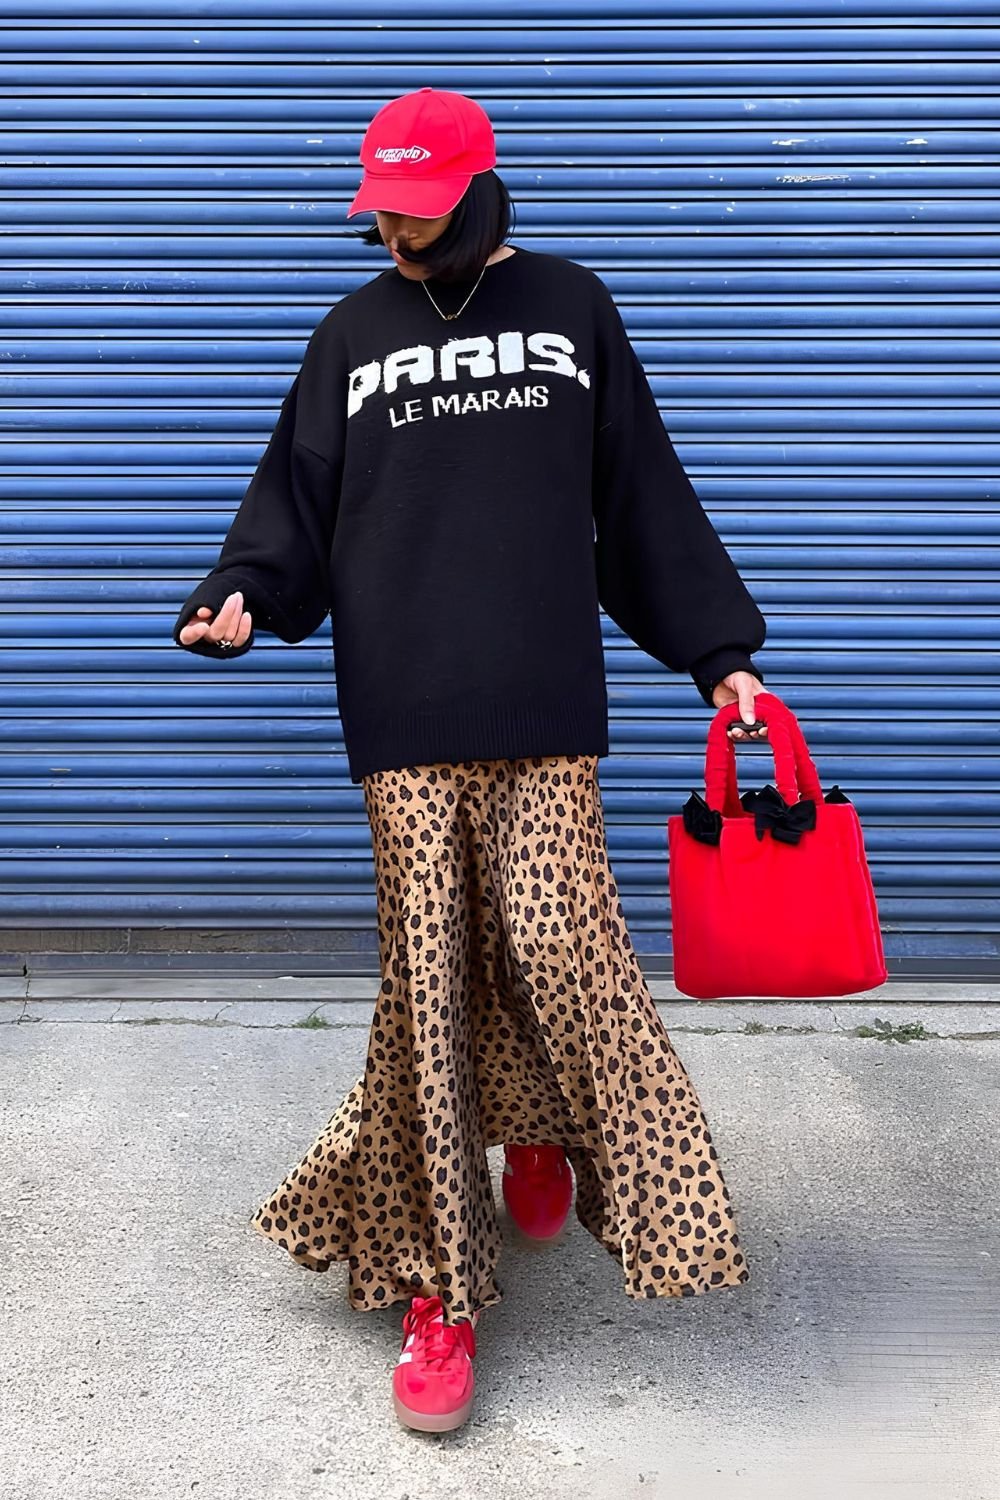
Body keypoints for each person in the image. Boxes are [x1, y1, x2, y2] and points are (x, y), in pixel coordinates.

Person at [172, 87, 775, 1434]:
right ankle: (437, 1291)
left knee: (564, 951)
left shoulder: (573, 308)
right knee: (432, 986)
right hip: (403, 714)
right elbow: (292, 504)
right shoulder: (352, 334)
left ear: (480, 190)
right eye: (379, 206)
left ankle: (560, 1129)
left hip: (544, 703)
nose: (394, 229)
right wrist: (244, 596)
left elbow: (642, 500)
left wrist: (719, 652)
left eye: (416, 206)